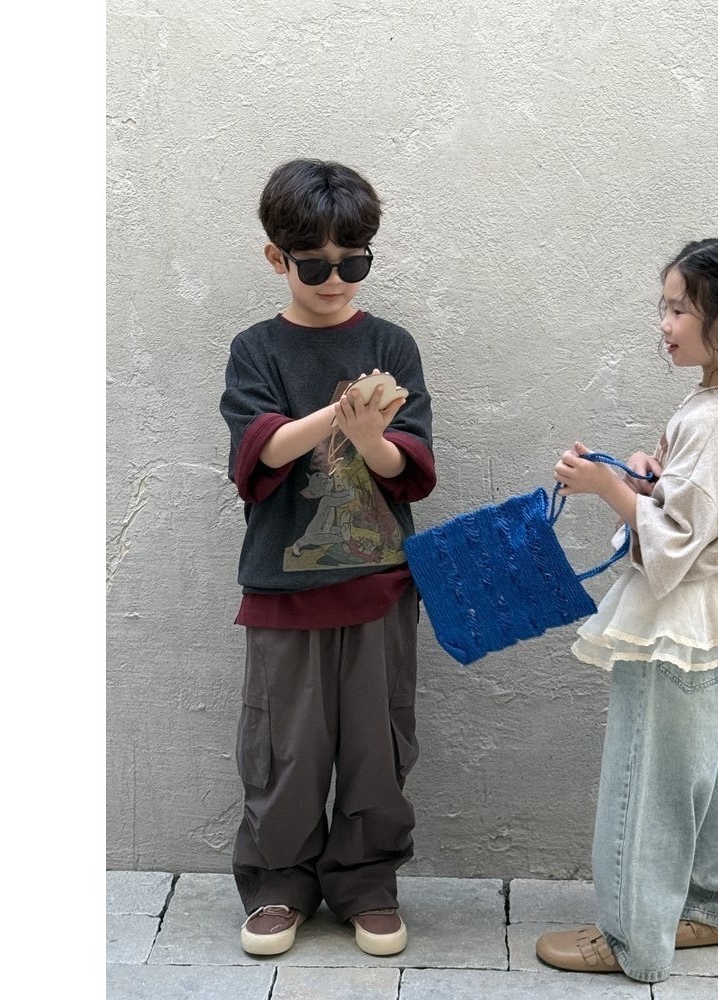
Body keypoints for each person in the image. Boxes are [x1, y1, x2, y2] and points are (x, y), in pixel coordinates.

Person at [536, 236, 718, 984]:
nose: (665, 323)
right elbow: (699, 511)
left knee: (648, 779)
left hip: (675, 623)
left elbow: (675, 545)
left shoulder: (715, 417)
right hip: (713, 616)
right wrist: (651, 480)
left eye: (680, 309)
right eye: (665, 307)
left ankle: (632, 939)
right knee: (712, 764)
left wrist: (607, 489)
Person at [219, 159, 436, 959]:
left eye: (356, 262)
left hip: (379, 587)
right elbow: (259, 454)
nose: (336, 279)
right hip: (284, 590)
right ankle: (279, 884)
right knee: (285, 748)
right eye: (315, 265)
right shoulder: (256, 349)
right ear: (276, 258)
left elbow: (413, 469)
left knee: (378, 743)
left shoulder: (391, 343)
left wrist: (372, 437)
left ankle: (368, 884)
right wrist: (342, 414)